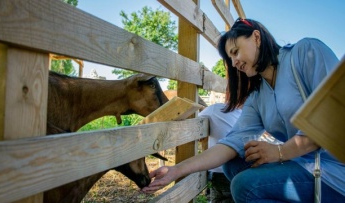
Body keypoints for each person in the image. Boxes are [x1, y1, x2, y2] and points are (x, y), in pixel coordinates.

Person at [142, 18, 345, 202]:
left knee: (245, 186)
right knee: (234, 164)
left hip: (333, 170)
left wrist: (280, 152)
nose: (234, 62)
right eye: (230, 59)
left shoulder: (305, 52)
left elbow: (334, 118)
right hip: (301, 164)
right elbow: (231, 142)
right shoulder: (257, 95)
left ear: (256, 37)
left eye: (235, 51)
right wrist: (176, 170)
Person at [199, 103, 242, 202]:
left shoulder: (215, 109)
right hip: (240, 170)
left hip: (219, 170)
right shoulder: (246, 115)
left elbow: (193, 123)